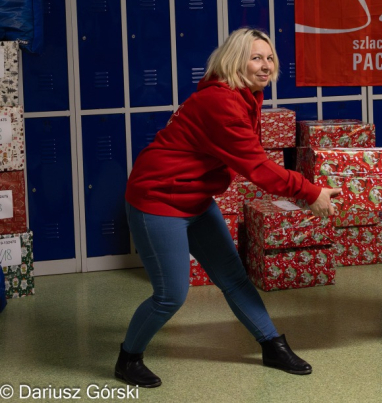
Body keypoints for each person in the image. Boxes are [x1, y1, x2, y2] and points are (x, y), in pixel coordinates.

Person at [117, 28, 340, 388]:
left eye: (269, 58)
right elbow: (257, 167)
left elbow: (249, 160)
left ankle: (271, 344)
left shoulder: (246, 96)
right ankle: (128, 358)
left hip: (195, 198)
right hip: (158, 200)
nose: (266, 65)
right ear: (236, 61)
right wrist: (309, 192)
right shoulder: (221, 101)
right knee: (171, 294)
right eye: (256, 57)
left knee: (234, 277)